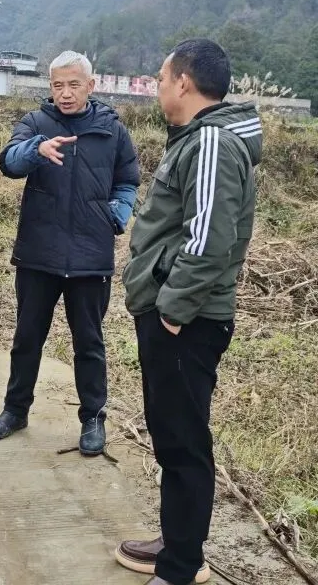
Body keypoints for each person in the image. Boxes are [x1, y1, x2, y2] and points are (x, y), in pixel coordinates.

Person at [115, 39, 262, 585]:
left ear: (183, 81)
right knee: (172, 433)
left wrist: (172, 310)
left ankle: (180, 567)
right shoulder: (198, 139)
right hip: (175, 313)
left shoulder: (212, 143)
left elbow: (208, 240)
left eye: (160, 78)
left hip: (187, 320)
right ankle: (176, 540)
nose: (157, 88)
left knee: (184, 440)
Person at [0, 51, 141, 456]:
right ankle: (15, 410)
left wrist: (116, 215)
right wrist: (36, 149)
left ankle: (93, 419)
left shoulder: (112, 129)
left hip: (91, 254)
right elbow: (9, 163)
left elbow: (128, 179)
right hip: (39, 252)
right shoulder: (36, 123)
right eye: (58, 85)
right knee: (27, 337)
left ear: (91, 85)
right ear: (49, 86)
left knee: (89, 342)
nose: (65, 93)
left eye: (73, 85)